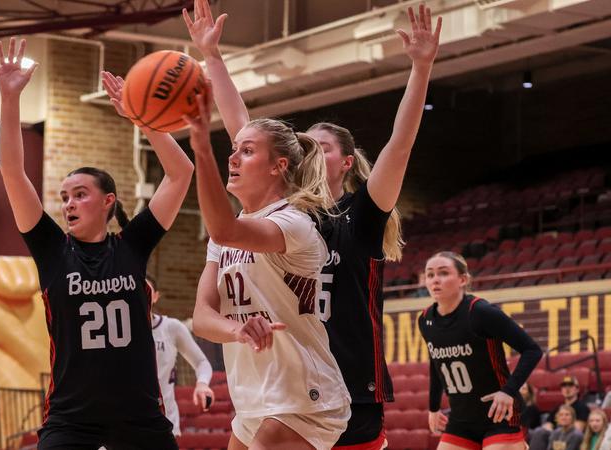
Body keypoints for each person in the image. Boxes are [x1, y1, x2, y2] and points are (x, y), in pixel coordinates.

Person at [183, 2, 441, 447]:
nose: (313, 153)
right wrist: (213, 57)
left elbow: (400, 145)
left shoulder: (358, 217)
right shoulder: (284, 213)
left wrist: (420, 69)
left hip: (349, 382)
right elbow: (243, 129)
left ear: (347, 162)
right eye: (309, 146)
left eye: (324, 147)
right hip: (290, 376)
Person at [0, 40, 194, 449]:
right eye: (64, 197)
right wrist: (9, 99)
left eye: (80, 194)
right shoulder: (51, 248)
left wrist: (141, 118)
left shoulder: (132, 245)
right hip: (72, 417)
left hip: (139, 416)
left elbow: (181, 173)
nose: (68, 204)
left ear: (107, 201)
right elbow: (12, 171)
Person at [185, 62, 349, 450]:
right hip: (254, 398)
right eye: (233, 150)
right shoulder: (226, 237)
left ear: (279, 166)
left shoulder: (293, 223)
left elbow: (225, 229)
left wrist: (202, 149)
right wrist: (237, 330)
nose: (233, 158)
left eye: (246, 151)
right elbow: (202, 318)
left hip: (303, 398)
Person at [419, 251, 543, 450]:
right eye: (430, 274)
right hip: (461, 418)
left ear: (463, 279)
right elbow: (436, 364)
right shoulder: (425, 319)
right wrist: (433, 408)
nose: (435, 280)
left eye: (443, 273)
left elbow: (532, 350)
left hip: (498, 415)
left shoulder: (481, 312)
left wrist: (508, 391)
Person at [146, 275, 215, 436]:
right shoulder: (118, 331)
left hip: (164, 419)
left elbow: (201, 362)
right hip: (126, 420)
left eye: (147, 291)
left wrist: (202, 384)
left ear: (156, 296)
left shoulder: (171, 327)